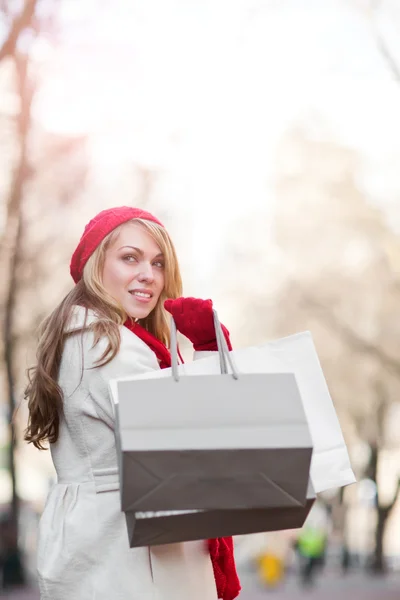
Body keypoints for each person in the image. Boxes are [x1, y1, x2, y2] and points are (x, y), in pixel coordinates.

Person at [24, 206, 241, 600]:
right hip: (134, 553)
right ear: (95, 265)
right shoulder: (113, 346)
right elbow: (196, 450)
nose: (149, 275)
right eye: (130, 258)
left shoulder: (77, 336)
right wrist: (211, 353)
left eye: (158, 263)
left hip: (101, 541)